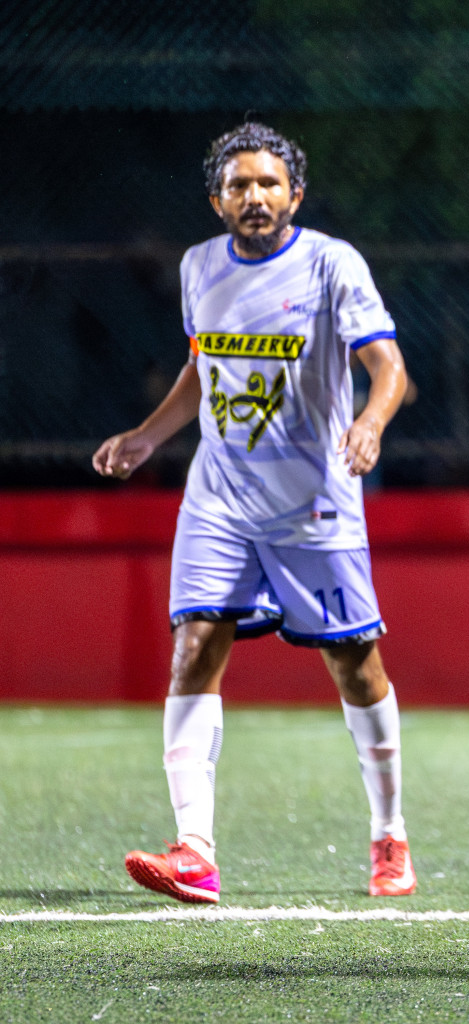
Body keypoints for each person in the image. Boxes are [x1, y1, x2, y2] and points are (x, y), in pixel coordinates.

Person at [91, 123, 416, 903]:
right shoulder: (199, 266)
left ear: (294, 195)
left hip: (313, 501)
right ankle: (195, 850)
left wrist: (370, 423)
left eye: (269, 183)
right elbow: (202, 368)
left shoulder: (332, 264)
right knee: (195, 644)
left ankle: (389, 832)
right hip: (220, 497)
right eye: (239, 185)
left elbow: (389, 367)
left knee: (355, 664)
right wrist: (147, 436)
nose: (255, 196)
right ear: (217, 200)